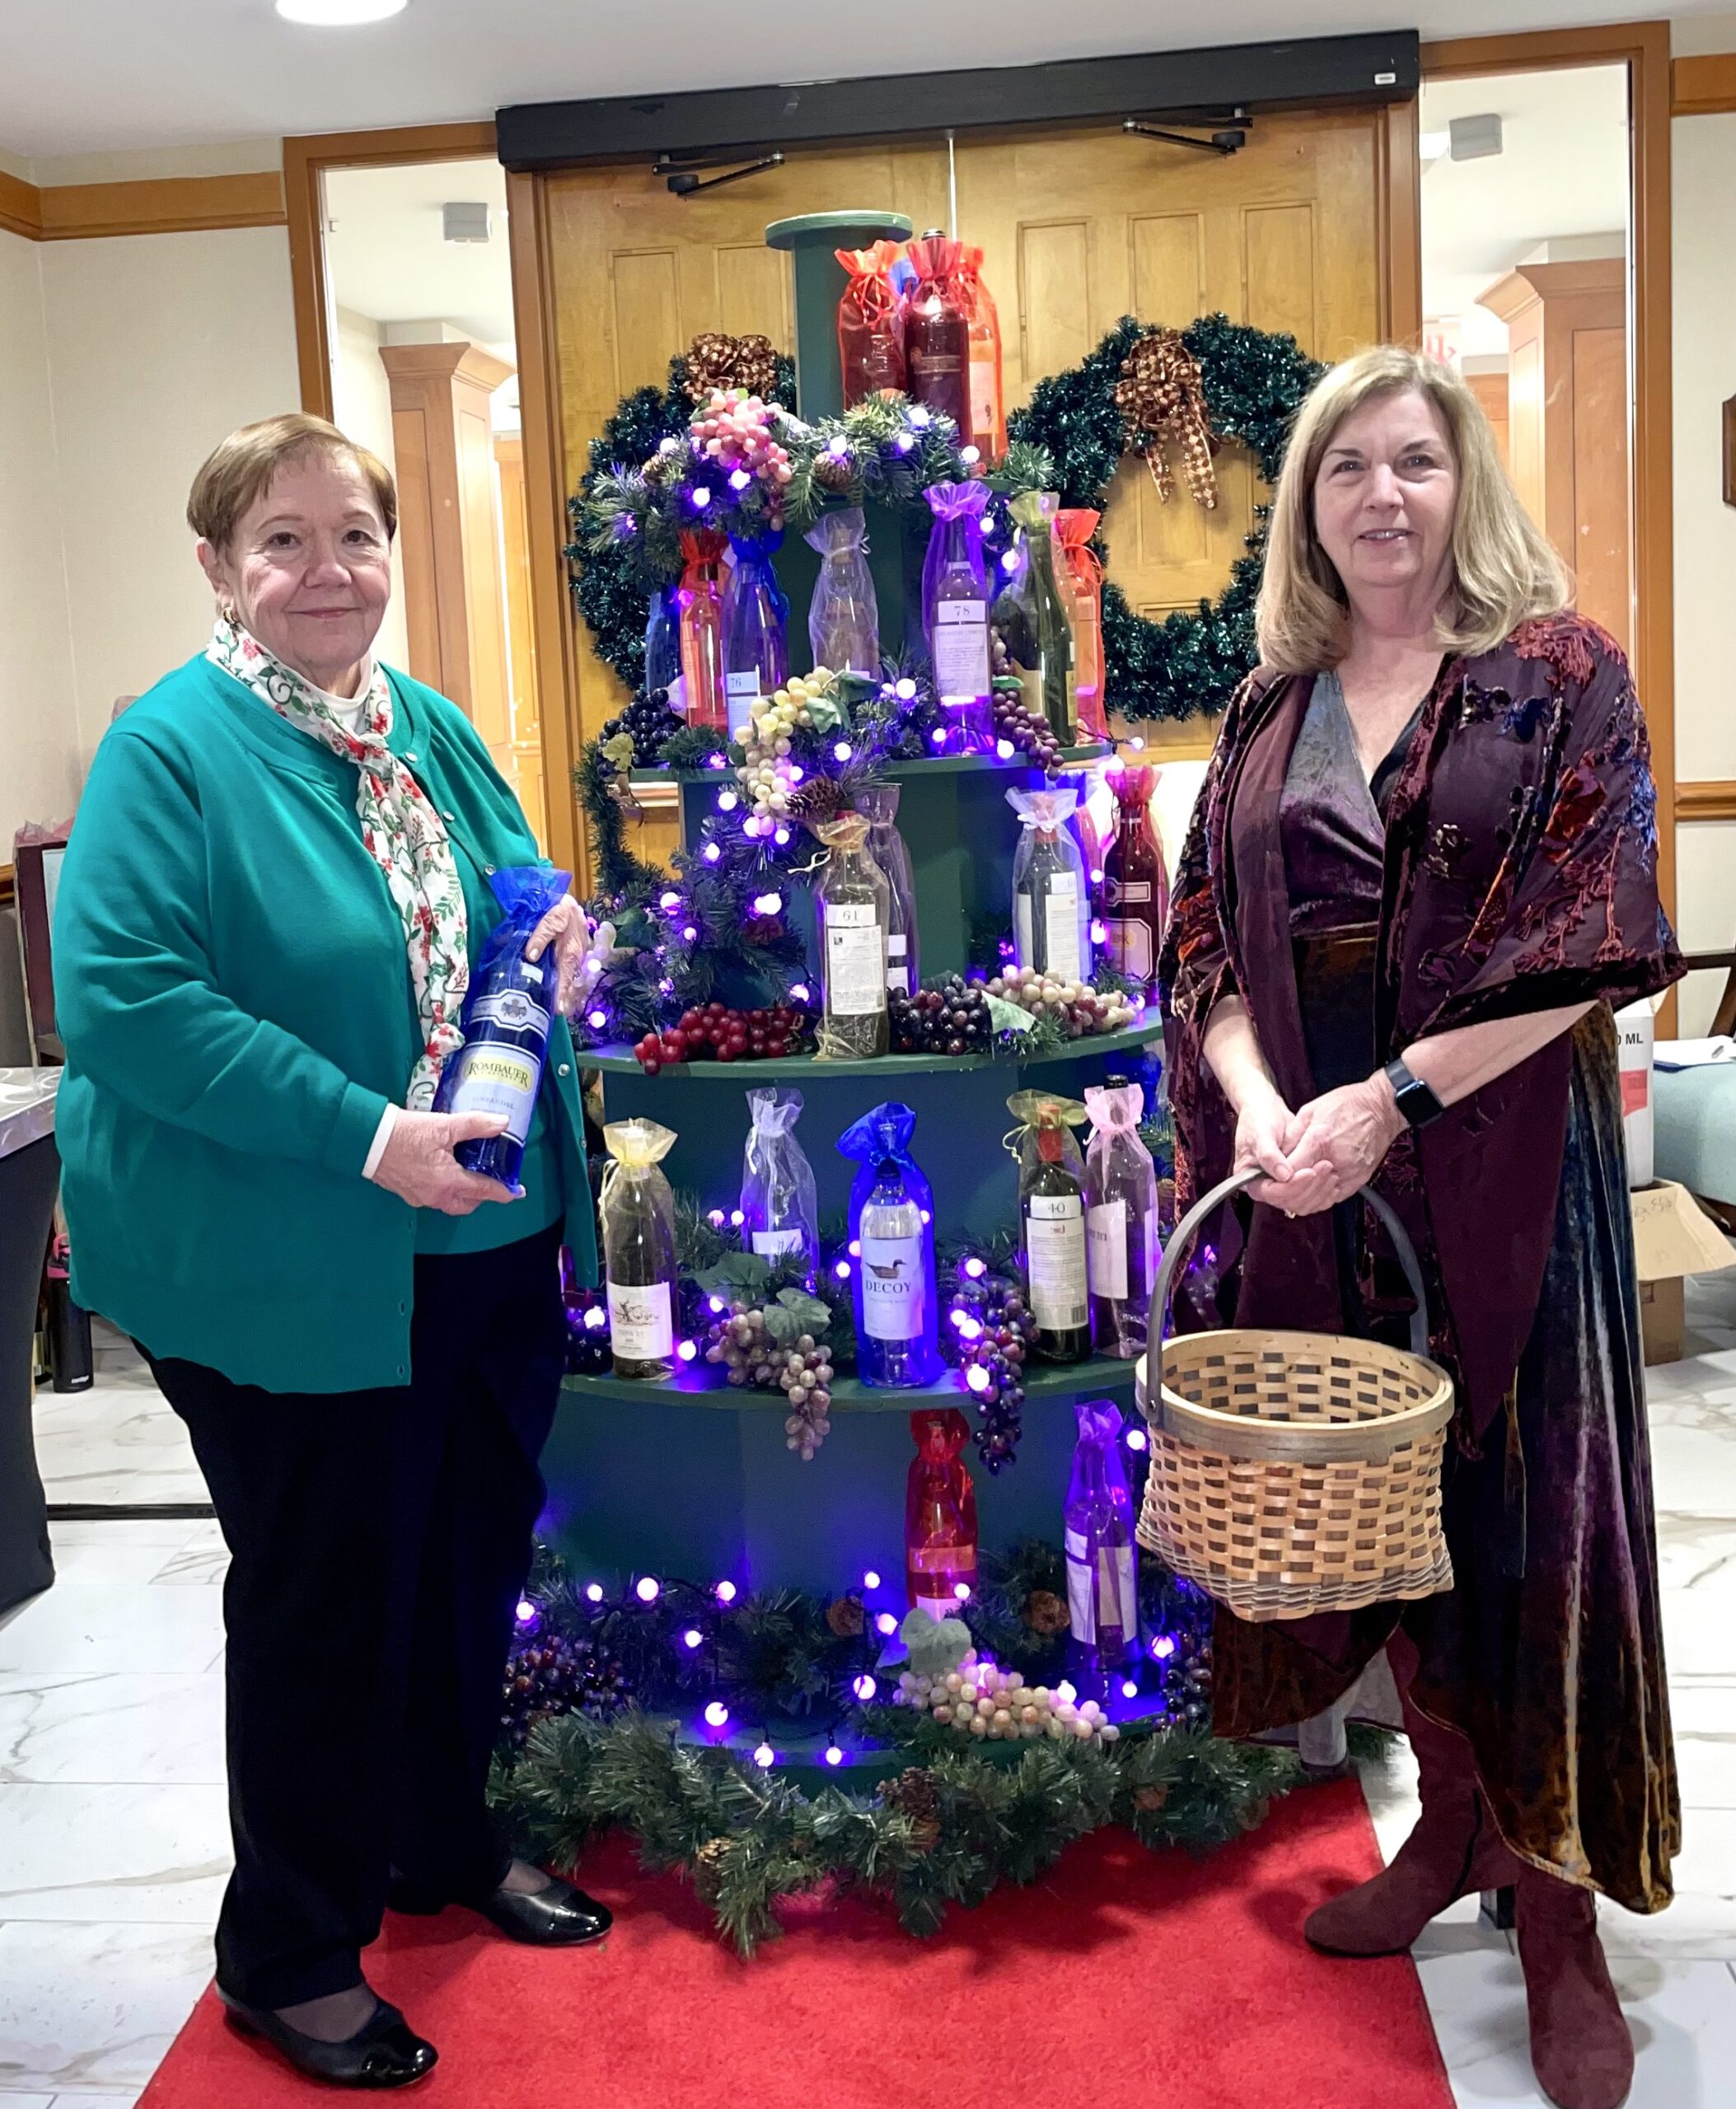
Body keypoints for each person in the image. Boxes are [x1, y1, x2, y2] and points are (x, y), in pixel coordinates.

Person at [54, 414, 611, 2090]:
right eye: (282, 540)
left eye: (354, 534)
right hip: (291, 1262)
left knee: (462, 1563)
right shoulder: (171, 751)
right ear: (219, 566)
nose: (327, 570)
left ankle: (437, 1838)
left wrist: (560, 929)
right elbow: (130, 1007)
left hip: (487, 1231)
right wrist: (372, 1136)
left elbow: (512, 877)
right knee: (324, 1602)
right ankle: (288, 1949)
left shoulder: (419, 720)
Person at [1160, 347, 1679, 2109]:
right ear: (1306, 507)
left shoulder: (1556, 675)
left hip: (1498, 1176)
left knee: (1530, 1530)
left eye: (1415, 462)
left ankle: (1555, 1910)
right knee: (1375, 1516)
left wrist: (1393, 1098)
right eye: (1343, 470)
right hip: (1316, 1184)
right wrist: (1256, 1109)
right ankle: (1447, 1819)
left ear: (1468, 483)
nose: (1381, 497)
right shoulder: (1263, 701)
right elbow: (1199, 951)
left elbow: (1597, 932)